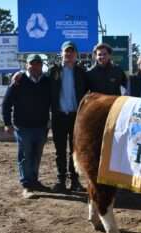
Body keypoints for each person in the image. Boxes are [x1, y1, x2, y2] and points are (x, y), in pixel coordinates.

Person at [2, 54, 51, 199]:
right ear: (26, 65)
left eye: (38, 64)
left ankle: (34, 181)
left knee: (37, 155)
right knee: (25, 156)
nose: (35, 66)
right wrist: (7, 123)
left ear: (42, 65)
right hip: (23, 126)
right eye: (32, 64)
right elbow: (6, 103)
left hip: (41, 126)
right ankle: (26, 185)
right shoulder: (18, 80)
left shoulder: (47, 81)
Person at [48, 41, 88, 192]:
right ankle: (60, 181)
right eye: (66, 52)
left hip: (76, 118)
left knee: (75, 151)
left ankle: (75, 181)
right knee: (59, 151)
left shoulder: (82, 72)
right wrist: (19, 74)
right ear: (62, 53)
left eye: (71, 52)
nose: (69, 54)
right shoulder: (53, 71)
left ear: (76, 55)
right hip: (58, 117)